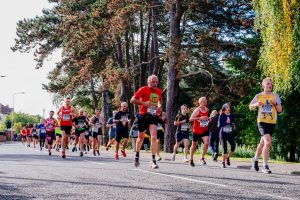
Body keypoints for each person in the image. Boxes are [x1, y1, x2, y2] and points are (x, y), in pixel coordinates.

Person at [249, 77, 282, 173]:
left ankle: (255, 159)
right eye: (268, 84)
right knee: (268, 142)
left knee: (262, 143)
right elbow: (250, 107)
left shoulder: (275, 96)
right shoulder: (259, 95)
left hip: (271, 122)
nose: (270, 85)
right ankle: (265, 165)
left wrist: (275, 104)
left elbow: (280, 110)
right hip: (262, 122)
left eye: (271, 84)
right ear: (263, 85)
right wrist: (256, 104)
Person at [130, 74, 162, 169]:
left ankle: (153, 160)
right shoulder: (143, 89)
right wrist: (144, 103)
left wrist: (160, 106)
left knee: (154, 136)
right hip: (143, 115)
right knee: (141, 138)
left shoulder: (159, 91)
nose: (155, 83)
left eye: (156, 82)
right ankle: (136, 156)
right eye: (153, 81)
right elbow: (132, 100)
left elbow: (159, 101)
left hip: (153, 116)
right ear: (148, 82)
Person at [189, 97, 209, 167]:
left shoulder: (207, 109)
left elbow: (205, 118)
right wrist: (199, 118)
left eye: (206, 102)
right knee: (194, 145)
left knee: (206, 143)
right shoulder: (197, 110)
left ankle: (202, 158)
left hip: (204, 129)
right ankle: (191, 159)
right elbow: (190, 119)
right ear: (200, 102)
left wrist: (207, 119)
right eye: (204, 102)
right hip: (197, 130)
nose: (205, 103)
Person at [218, 103, 236, 168]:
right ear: (224, 108)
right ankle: (223, 162)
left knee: (233, 146)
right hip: (223, 133)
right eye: (227, 107)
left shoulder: (232, 115)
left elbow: (233, 123)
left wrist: (233, 125)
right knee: (224, 148)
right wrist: (227, 123)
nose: (229, 108)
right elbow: (219, 125)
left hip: (230, 133)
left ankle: (228, 157)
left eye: (229, 107)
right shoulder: (221, 115)